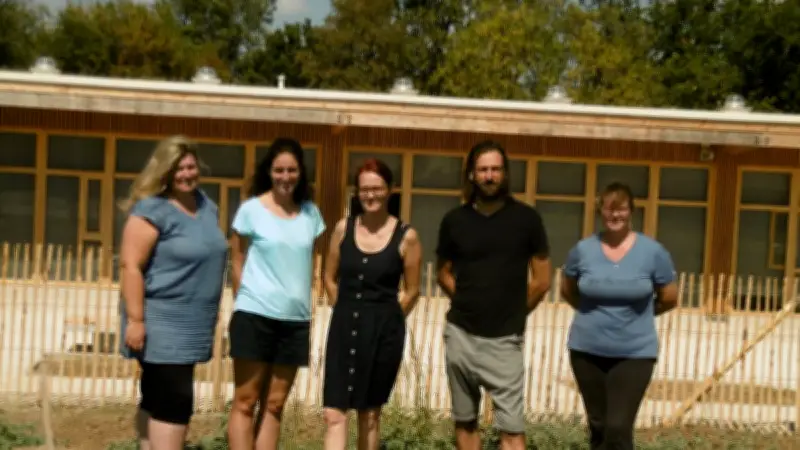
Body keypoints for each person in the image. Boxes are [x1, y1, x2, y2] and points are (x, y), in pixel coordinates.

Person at [436, 140, 552, 450]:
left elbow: (542, 280)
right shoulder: (454, 221)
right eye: (483, 169)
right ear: (472, 175)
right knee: (465, 421)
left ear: (505, 174)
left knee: (512, 430)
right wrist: (466, 301)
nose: (489, 176)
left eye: (496, 169)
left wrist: (513, 311)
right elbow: (443, 272)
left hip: (504, 340)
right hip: (460, 335)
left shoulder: (527, 220)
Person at [118, 136, 228, 450]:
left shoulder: (207, 206)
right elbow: (130, 266)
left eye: (191, 167)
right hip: (162, 321)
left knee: (156, 394)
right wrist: (136, 320)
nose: (186, 174)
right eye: (178, 169)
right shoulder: (152, 210)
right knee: (175, 399)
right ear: (164, 172)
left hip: (194, 321)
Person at [561, 182, 679, 450]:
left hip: (634, 352)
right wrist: (594, 314)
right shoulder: (583, 250)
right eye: (608, 209)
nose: (615, 216)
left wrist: (638, 315)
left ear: (631, 212)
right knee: (599, 426)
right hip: (586, 350)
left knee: (618, 427)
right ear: (600, 212)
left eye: (621, 210)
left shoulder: (653, 252)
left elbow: (669, 297)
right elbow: (568, 291)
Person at [226, 138, 326, 450]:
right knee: (246, 401)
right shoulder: (251, 210)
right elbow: (238, 259)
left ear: (301, 173)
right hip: (255, 315)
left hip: (295, 320)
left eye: (292, 170)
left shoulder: (311, 214)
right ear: (269, 172)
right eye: (279, 170)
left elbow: (313, 260)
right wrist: (246, 296)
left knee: (275, 405)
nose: (285, 177)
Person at [321, 158, 422, 450]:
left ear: (389, 190)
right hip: (344, 327)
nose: (370, 195)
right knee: (334, 413)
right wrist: (342, 309)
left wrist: (388, 319)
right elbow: (328, 276)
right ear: (357, 193)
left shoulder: (408, 237)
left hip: (383, 333)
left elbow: (413, 290)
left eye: (377, 188)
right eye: (364, 189)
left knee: (370, 414)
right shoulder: (343, 228)